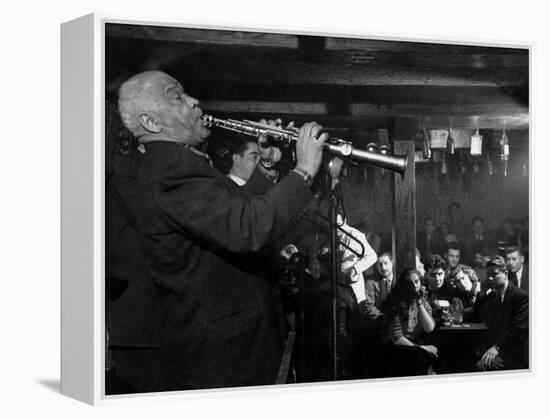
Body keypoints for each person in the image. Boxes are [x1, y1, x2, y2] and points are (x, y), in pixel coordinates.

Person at [117, 70, 327, 391]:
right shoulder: (170, 169)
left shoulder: (182, 163)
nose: (193, 101)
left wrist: (269, 165)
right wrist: (304, 170)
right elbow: (246, 227)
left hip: (237, 343)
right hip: (226, 353)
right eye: (178, 96)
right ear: (151, 122)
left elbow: (239, 207)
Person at [473, 255, 528, 371]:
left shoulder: (520, 297)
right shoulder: (492, 296)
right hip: (491, 347)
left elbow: (517, 330)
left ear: (506, 274)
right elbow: (476, 316)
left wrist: (497, 348)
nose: (490, 278)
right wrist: (482, 292)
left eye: (495, 274)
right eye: (488, 275)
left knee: (481, 365)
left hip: (510, 352)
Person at [382, 268, 438, 376]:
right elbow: (397, 337)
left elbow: (429, 327)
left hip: (414, 343)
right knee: (422, 357)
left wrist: (419, 302)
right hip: (397, 347)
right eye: (409, 283)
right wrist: (422, 348)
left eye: (416, 281)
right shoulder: (395, 303)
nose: (414, 286)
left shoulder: (421, 300)